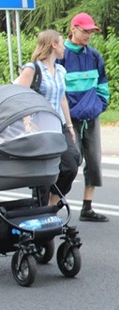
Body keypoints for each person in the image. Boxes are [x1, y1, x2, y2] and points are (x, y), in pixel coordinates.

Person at [16, 30, 80, 206]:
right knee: (43, 174)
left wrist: (69, 126)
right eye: (61, 43)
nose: (64, 48)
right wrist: (28, 125)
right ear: (53, 45)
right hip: (40, 127)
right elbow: (20, 97)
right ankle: (41, 214)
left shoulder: (60, 70)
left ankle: (53, 205)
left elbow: (62, 99)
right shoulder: (32, 69)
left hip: (58, 124)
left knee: (72, 163)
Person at [60, 13, 110, 222]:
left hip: (91, 117)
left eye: (91, 31)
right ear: (74, 29)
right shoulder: (61, 54)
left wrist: (99, 105)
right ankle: (51, 205)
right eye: (85, 30)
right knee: (69, 163)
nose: (89, 34)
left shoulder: (94, 55)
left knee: (94, 162)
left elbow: (102, 83)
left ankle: (87, 208)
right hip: (69, 121)